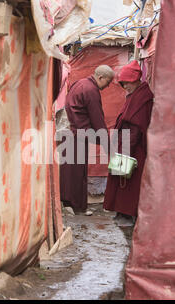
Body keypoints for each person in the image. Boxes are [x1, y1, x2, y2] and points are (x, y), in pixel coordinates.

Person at [103, 60, 154, 226]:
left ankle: (127, 215)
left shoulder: (143, 97)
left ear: (135, 80)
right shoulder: (134, 95)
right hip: (125, 144)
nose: (126, 88)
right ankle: (120, 213)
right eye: (123, 84)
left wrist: (126, 150)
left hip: (134, 148)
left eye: (127, 84)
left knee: (129, 183)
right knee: (120, 179)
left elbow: (137, 125)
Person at [60, 65, 115, 216]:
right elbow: (97, 119)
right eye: (108, 82)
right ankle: (76, 206)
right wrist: (107, 145)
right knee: (77, 173)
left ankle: (67, 203)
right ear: (101, 77)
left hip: (69, 131)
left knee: (69, 171)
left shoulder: (80, 83)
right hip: (78, 135)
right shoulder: (91, 90)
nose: (108, 85)